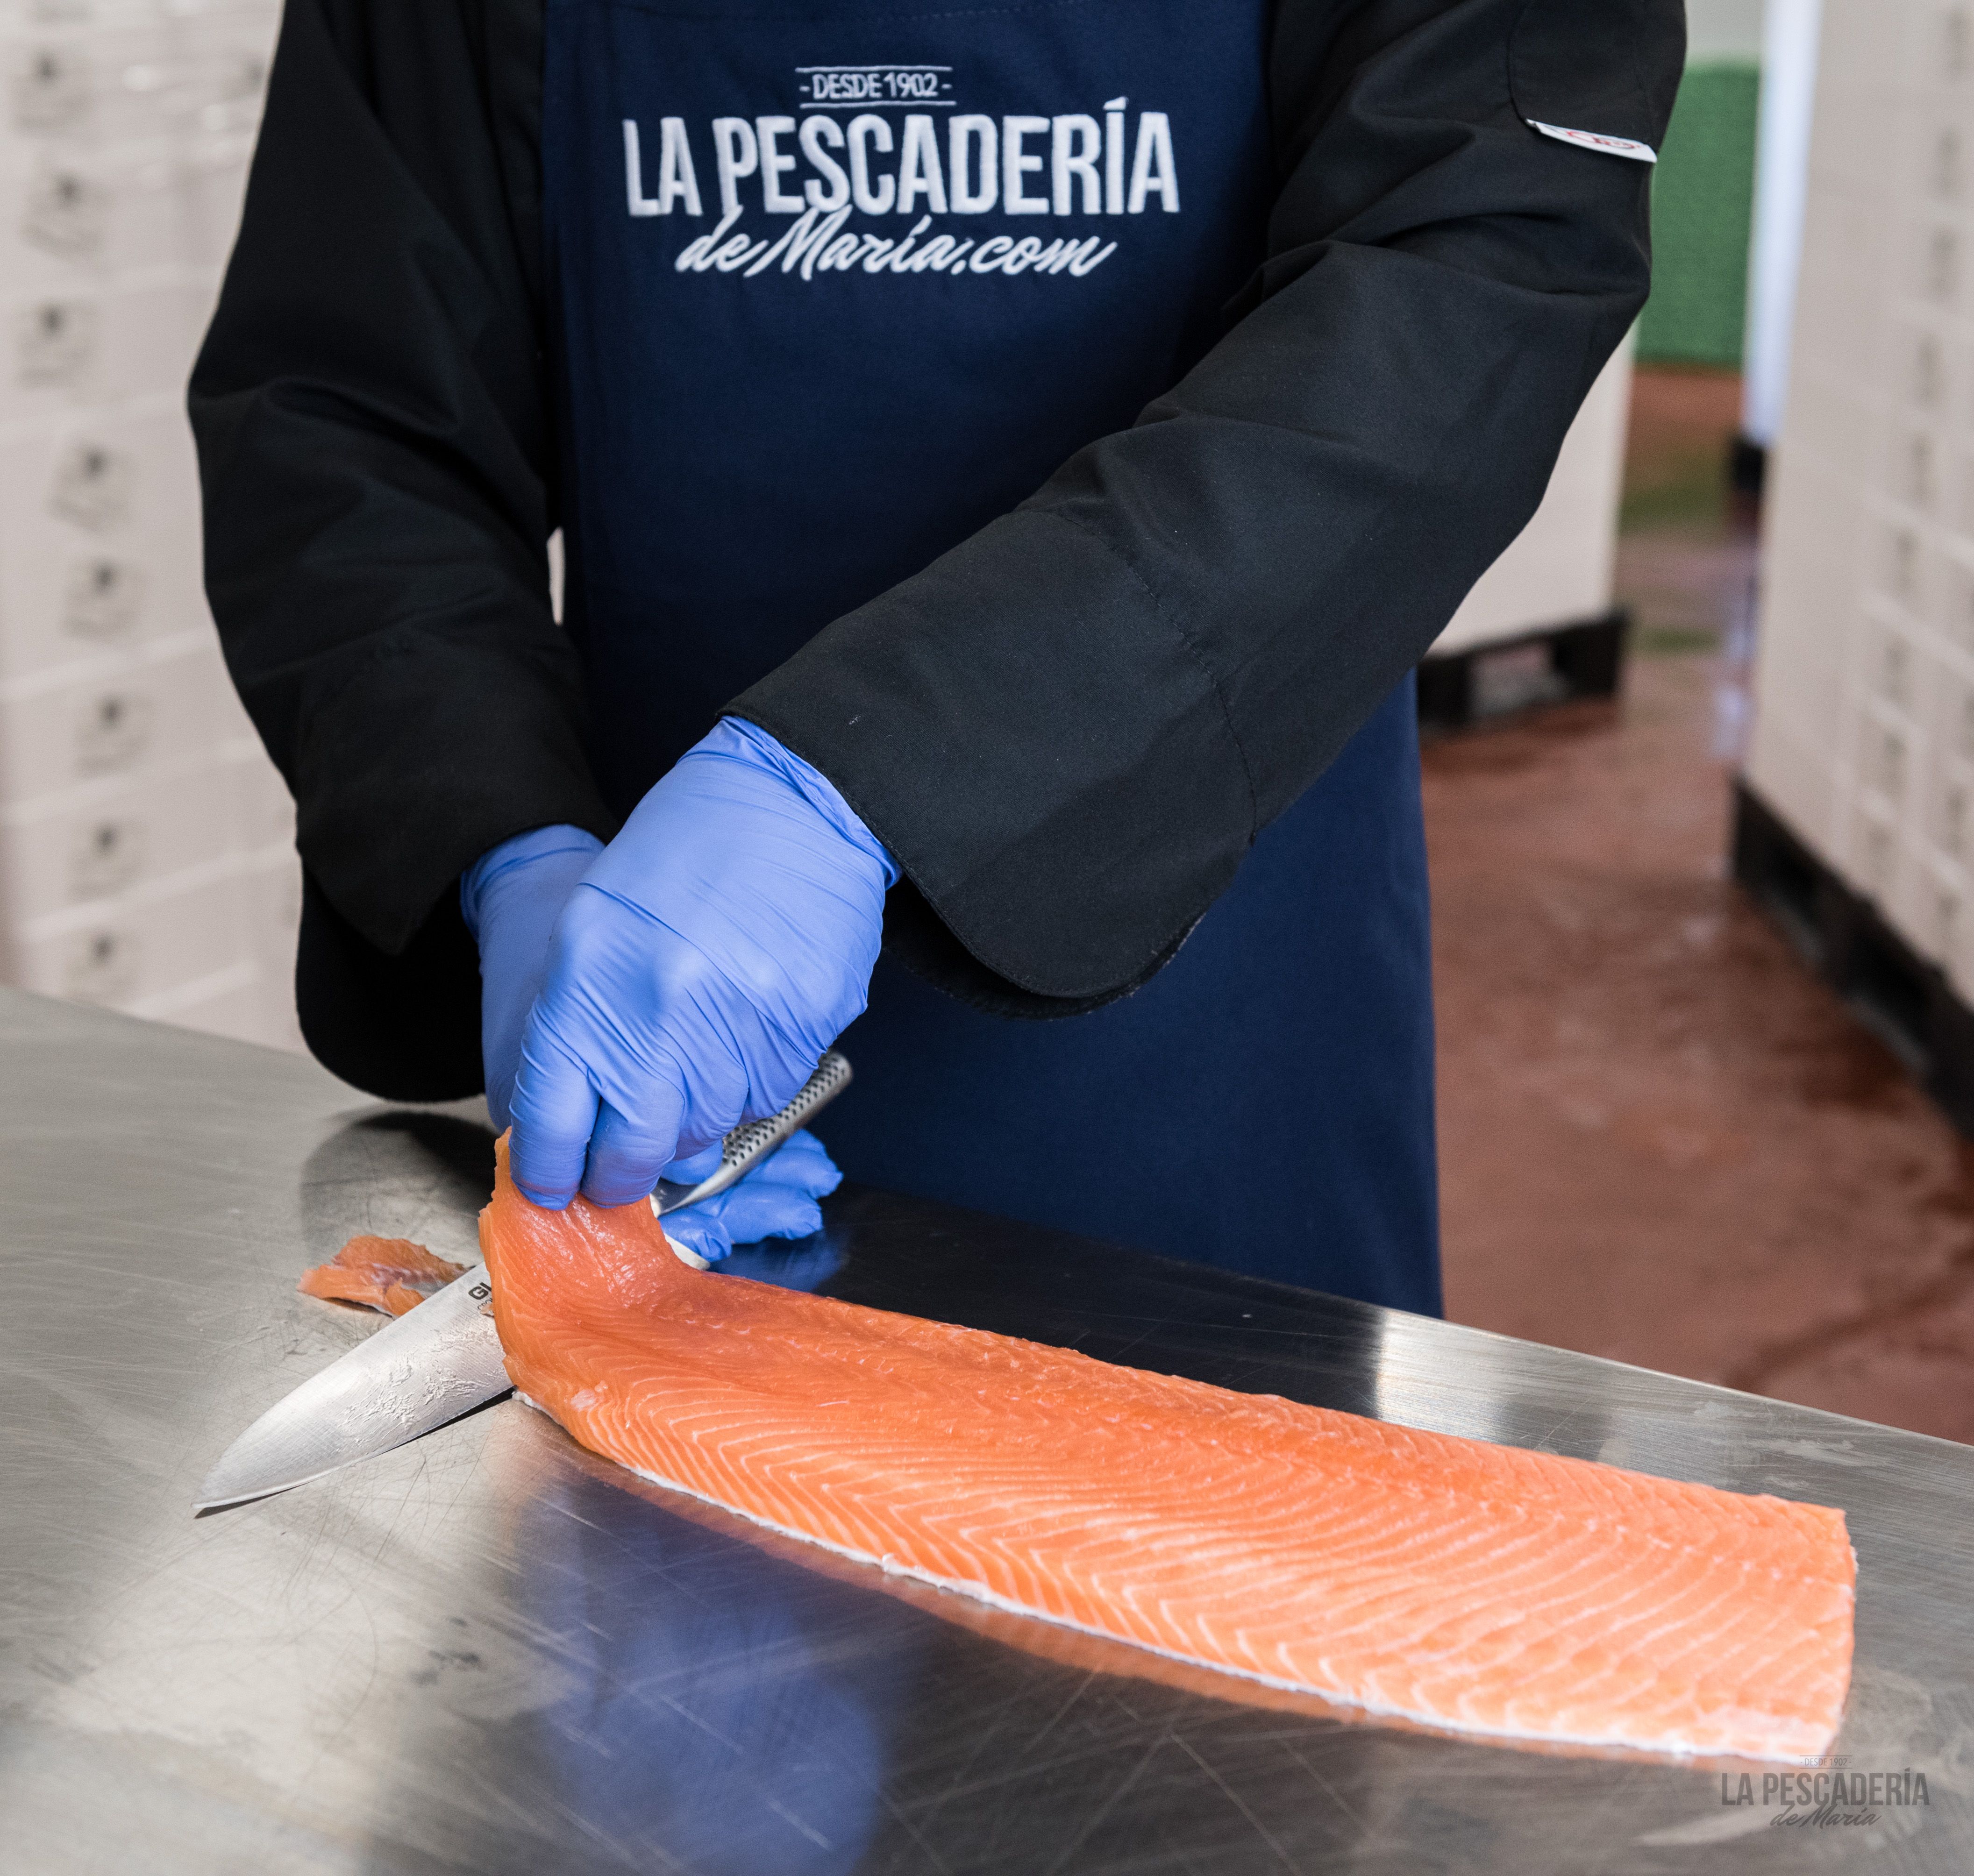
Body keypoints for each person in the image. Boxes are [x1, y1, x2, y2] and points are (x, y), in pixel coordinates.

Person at [192, 0, 1682, 1305]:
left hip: (1207, 1000)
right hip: (652, 1030)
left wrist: (835, 794)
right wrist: (499, 843)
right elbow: (346, 410)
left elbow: (1468, 278)